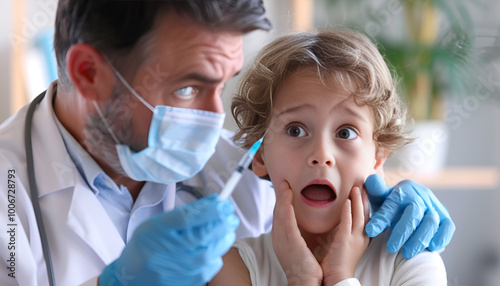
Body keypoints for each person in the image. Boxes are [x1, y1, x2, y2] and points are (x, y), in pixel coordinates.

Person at [0, 1, 453, 286]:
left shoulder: (249, 164)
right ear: (87, 74)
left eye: (222, 84)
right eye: (186, 88)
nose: (216, 119)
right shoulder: (8, 192)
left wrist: (385, 191)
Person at [209, 30, 448, 285]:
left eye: (345, 132)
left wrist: (340, 277)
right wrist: (301, 278)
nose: (321, 155)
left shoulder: (412, 263)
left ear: (378, 158)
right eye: (295, 130)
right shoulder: (234, 267)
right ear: (259, 157)